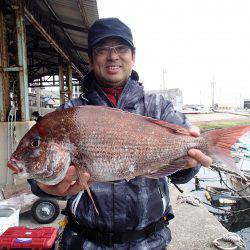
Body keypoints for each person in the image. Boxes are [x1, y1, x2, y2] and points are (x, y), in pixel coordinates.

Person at [28, 18, 212, 249]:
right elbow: (37, 176)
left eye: (121, 48)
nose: (113, 56)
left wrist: (190, 162)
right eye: (103, 49)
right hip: (83, 242)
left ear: (132, 56)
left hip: (149, 242)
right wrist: (43, 185)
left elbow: (181, 175)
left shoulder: (158, 108)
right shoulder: (68, 113)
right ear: (91, 58)